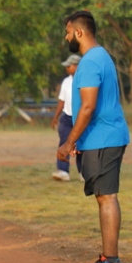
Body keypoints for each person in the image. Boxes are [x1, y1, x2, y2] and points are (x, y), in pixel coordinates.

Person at [57, 10, 130, 263]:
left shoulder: (89, 62)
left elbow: (87, 107)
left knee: (106, 197)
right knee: (103, 196)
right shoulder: (102, 56)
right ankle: (109, 257)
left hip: (104, 139)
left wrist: (68, 142)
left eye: (67, 32)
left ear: (79, 32)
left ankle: (111, 260)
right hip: (101, 138)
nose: (66, 37)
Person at [51, 54, 81, 182]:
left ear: (77, 66)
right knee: (64, 142)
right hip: (67, 117)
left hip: (80, 118)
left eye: (69, 66)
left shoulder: (86, 81)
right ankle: (63, 170)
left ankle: (84, 172)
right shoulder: (66, 81)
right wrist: (56, 117)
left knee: (82, 145)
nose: (67, 68)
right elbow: (61, 101)